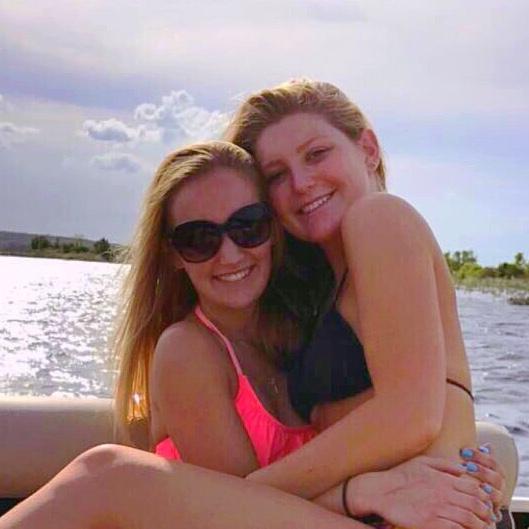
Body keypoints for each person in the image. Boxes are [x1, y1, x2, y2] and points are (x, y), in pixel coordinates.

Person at [0, 140, 503, 528]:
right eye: (198, 239)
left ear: (275, 229)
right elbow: (235, 512)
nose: (229, 254)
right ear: (173, 256)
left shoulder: (302, 341)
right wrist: (363, 492)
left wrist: (468, 472)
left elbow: (404, 409)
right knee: (106, 473)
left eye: (248, 226)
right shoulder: (187, 351)